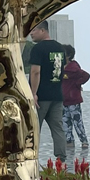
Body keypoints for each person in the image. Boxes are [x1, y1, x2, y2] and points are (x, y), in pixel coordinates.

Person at [28, 21, 67, 161]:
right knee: (58, 128)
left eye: (34, 30)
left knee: (33, 128)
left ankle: (30, 157)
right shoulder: (60, 47)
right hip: (57, 95)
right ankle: (61, 158)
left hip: (41, 96)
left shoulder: (38, 49)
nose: (31, 33)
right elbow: (62, 69)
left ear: (43, 30)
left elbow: (35, 72)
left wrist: (33, 93)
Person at [61, 45, 90, 149]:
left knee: (77, 121)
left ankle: (84, 140)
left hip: (73, 100)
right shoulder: (59, 67)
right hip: (63, 100)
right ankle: (69, 141)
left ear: (68, 55)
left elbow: (86, 75)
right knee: (65, 122)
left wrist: (77, 84)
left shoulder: (74, 68)